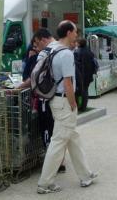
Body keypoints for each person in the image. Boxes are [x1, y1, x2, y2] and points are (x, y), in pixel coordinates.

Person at [37, 21, 97, 194]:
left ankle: (86, 174)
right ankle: (45, 183)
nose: (76, 35)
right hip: (64, 101)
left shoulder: (48, 49)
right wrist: (73, 103)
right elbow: (68, 82)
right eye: (75, 32)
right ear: (69, 32)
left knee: (72, 137)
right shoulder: (66, 54)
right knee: (59, 142)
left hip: (52, 99)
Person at [32, 28, 66, 173]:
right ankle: (61, 161)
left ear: (42, 39)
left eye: (36, 43)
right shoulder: (63, 49)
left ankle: (52, 164)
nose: (36, 47)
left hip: (46, 96)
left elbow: (37, 75)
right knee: (59, 131)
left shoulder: (45, 52)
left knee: (48, 130)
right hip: (61, 97)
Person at [74, 38, 96, 112]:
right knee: (85, 91)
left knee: (77, 91)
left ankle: (77, 106)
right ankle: (84, 106)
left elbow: (76, 65)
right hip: (88, 75)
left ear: (79, 44)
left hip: (80, 75)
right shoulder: (89, 51)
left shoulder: (77, 52)